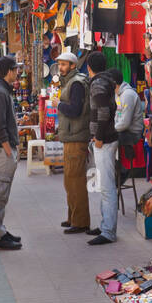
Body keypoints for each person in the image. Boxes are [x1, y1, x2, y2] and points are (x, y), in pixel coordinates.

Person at [54, 50, 95, 235]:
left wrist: (59, 105)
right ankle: (73, 217)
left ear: (72, 66)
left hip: (76, 137)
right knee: (69, 180)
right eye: (60, 64)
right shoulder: (71, 81)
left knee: (76, 181)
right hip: (71, 137)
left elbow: (75, 110)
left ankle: (80, 222)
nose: (61, 67)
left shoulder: (76, 83)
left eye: (64, 64)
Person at [0, 56, 23, 250]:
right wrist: (9, 150)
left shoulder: (3, 91)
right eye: (16, 69)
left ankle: (0, 230)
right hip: (3, 150)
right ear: (9, 71)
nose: (18, 73)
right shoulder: (0, 93)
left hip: (5, 149)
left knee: (2, 193)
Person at [86, 63, 121, 246]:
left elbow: (103, 112)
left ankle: (108, 231)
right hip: (105, 139)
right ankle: (105, 225)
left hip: (105, 141)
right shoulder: (104, 81)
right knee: (104, 186)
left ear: (89, 67)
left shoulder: (98, 83)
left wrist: (98, 137)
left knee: (107, 187)